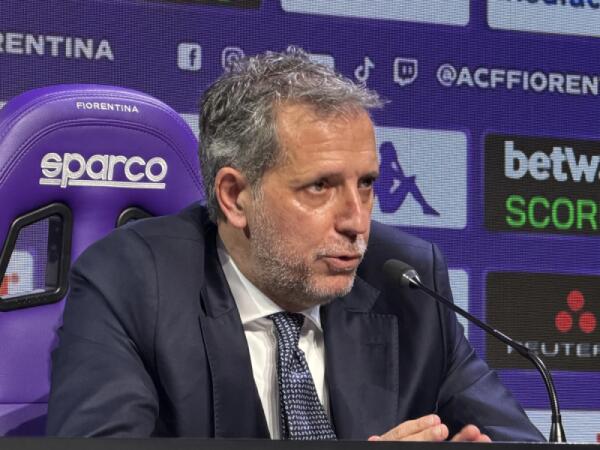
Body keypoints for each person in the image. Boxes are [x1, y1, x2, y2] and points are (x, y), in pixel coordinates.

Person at [46, 48, 544, 442]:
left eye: (367, 184)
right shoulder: (130, 283)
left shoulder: (407, 281)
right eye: (320, 187)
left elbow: (515, 437)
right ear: (235, 197)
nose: (356, 222)